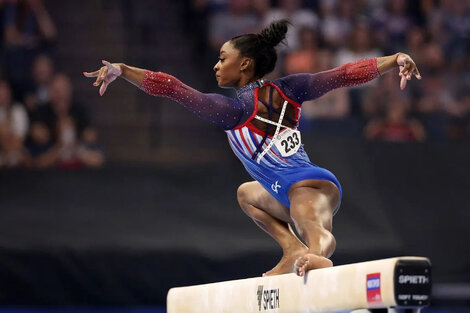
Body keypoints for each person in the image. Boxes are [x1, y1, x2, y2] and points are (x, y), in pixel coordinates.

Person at [83, 20, 421, 277]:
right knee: (246, 193)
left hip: (310, 185)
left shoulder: (231, 111)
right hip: (281, 191)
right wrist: (393, 60)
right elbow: (344, 75)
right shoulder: (289, 89)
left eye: (223, 58)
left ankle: (315, 253)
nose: (216, 65)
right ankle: (291, 249)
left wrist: (124, 70)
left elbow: (174, 89)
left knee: (314, 229)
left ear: (245, 64)